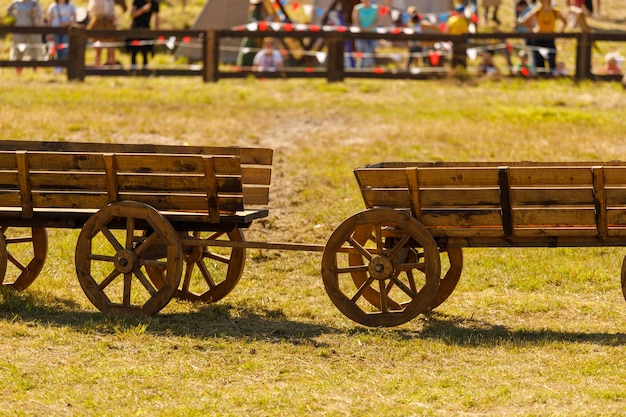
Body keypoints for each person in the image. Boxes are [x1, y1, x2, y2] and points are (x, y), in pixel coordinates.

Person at [521, 0, 566, 76]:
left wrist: (559, 32)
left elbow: (565, 21)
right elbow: (526, 21)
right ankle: (541, 76)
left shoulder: (554, 11)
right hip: (539, 38)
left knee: (551, 57)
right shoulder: (538, 11)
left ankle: (552, 75)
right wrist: (533, 30)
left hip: (550, 38)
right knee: (539, 58)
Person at [7, 0, 45, 71]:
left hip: (32, 28)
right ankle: (18, 68)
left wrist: (35, 13)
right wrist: (16, 16)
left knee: (33, 48)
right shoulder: (17, 3)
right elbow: (9, 10)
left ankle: (35, 68)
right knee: (18, 48)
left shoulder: (34, 3)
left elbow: (41, 14)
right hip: (19, 28)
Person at [87, 0, 127, 67]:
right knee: (98, 47)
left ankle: (111, 66)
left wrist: (114, 20)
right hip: (98, 24)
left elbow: (112, 12)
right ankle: (97, 66)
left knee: (111, 46)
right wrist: (95, 17)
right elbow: (89, 10)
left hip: (108, 24)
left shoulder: (110, 1)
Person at [127, 0, 159, 69]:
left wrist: (157, 32)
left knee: (145, 51)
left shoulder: (154, 3)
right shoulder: (137, 1)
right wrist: (142, 10)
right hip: (135, 29)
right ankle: (133, 69)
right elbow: (132, 14)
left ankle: (145, 70)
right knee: (134, 51)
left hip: (146, 29)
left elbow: (157, 19)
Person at [47, 0, 76, 73]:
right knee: (57, 49)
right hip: (55, 31)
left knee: (65, 49)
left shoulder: (71, 6)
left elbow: (74, 19)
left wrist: (67, 23)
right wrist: (49, 32)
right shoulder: (53, 6)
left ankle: (63, 65)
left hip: (66, 31)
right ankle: (58, 66)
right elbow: (50, 20)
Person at [236, 0, 266, 68]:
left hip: (257, 36)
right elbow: (255, 25)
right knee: (249, 52)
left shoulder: (258, 12)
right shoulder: (255, 11)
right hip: (253, 36)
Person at [352, 0, 379, 68]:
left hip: (372, 33)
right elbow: (355, 20)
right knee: (361, 50)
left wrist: (369, 29)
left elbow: (377, 21)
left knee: (370, 51)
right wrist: (362, 29)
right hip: (361, 33)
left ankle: (370, 68)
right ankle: (360, 68)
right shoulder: (357, 8)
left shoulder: (375, 8)